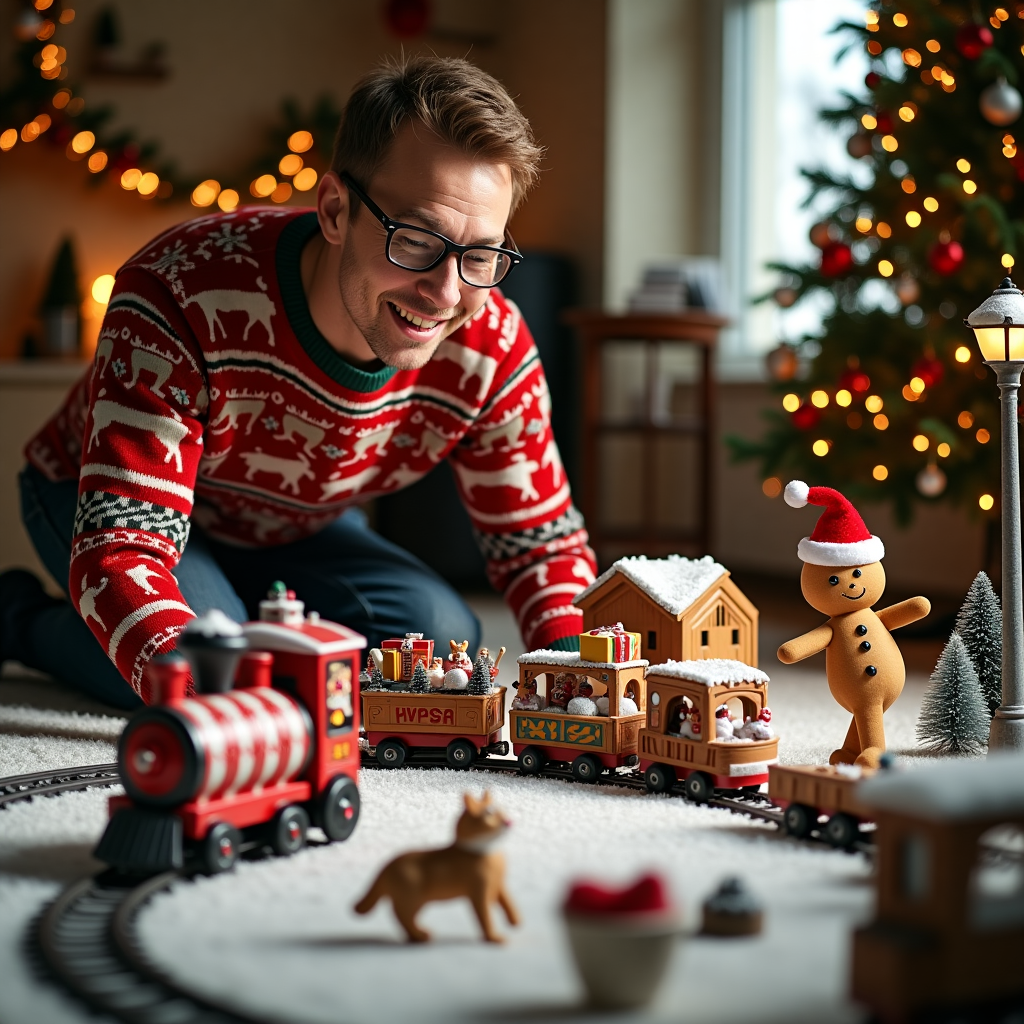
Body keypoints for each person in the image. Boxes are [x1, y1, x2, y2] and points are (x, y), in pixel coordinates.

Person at [1, 54, 596, 709]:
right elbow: (120, 546)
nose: (447, 292)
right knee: (207, 661)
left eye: (481, 254)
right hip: (108, 499)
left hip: (294, 522)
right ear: (336, 210)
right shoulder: (175, 291)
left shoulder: (493, 346)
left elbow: (539, 546)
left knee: (438, 636)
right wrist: (221, 698)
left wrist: (576, 690)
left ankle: (242, 625)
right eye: (418, 241)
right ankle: (20, 620)